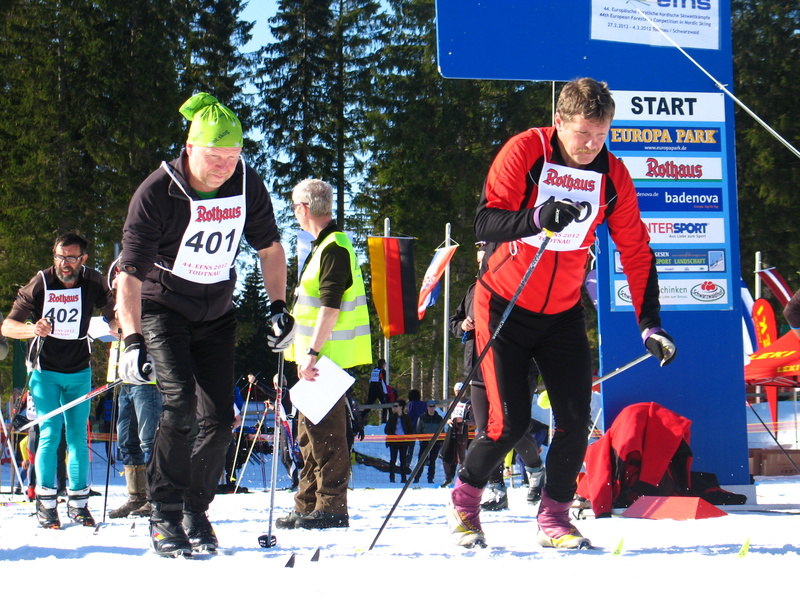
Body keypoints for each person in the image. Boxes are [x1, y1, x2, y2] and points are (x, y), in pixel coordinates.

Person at [447, 77, 677, 549]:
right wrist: (536, 217)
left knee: (574, 419)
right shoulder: (526, 151)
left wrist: (649, 324)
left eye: (601, 134)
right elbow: (486, 220)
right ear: (558, 122)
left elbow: (636, 251)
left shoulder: (612, 174)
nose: (591, 145)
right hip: (505, 304)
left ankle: (554, 518)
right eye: (582, 134)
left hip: (563, 311)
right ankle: (465, 501)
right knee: (507, 425)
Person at [114, 92, 293, 556]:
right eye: (215, 156)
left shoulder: (246, 182)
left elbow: (270, 248)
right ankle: (164, 511)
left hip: (216, 313)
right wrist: (131, 339)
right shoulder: (157, 191)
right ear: (190, 147)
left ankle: (195, 508)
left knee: (218, 418)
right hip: (163, 310)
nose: (225, 167)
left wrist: (278, 306)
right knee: (178, 406)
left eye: (233, 156)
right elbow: (128, 274)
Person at [1, 232, 116, 529]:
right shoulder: (41, 281)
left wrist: (120, 328)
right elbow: (8, 326)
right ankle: (46, 502)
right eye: (60, 257)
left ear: (83, 258)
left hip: (79, 371)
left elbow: (114, 313)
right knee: (50, 433)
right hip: (45, 371)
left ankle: (78, 503)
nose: (64, 264)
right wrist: (32, 329)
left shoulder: (93, 281)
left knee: (77, 436)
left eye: (71, 258)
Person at [275, 178, 372, 530]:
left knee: (326, 437)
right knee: (308, 437)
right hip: (315, 360)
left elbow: (331, 306)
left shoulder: (334, 247)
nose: (294, 213)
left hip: (326, 360)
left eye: (294, 207)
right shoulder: (324, 246)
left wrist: (313, 352)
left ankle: (331, 507)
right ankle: (308, 503)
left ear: (303, 208)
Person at [413, 400, 444, 484]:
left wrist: (441, 441)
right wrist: (421, 439)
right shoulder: (422, 418)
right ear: (427, 407)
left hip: (435, 443)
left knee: (432, 461)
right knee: (421, 461)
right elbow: (418, 430)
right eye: (430, 406)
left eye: (433, 406)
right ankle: (416, 478)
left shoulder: (439, 418)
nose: (431, 408)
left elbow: (442, 431)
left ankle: (430, 478)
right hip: (425, 442)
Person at [384, 400, 413, 483]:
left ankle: (403, 478)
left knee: (403, 460)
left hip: (403, 441)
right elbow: (386, 430)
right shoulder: (392, 417)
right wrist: (393, 435)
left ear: (401, 407)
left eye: (396, 406)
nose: (394, 408)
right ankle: (392, 478)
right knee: (393, 459)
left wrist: (408, 439)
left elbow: (410, 430)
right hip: (394, 441)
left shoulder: (406, 417)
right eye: (394, 406)